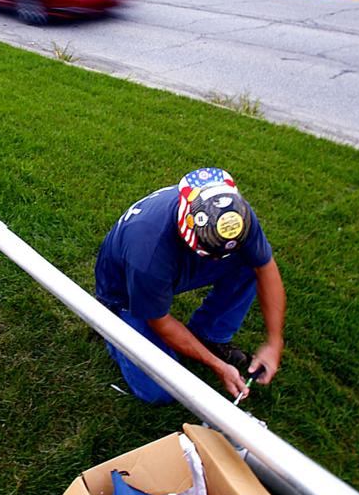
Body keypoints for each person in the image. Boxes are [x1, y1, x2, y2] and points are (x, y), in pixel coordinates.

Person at [94, 168, 286, 405]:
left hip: (168, 268)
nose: (216, 261)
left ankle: (209, 335)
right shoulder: (148, 252)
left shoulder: (233, 215)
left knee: (248, 263)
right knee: (161, 391)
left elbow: (266, 267)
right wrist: (217, 366)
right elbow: (160, 322)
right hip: (124, 292)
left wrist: (275, 341)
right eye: (209, 252)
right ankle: (113, 328)